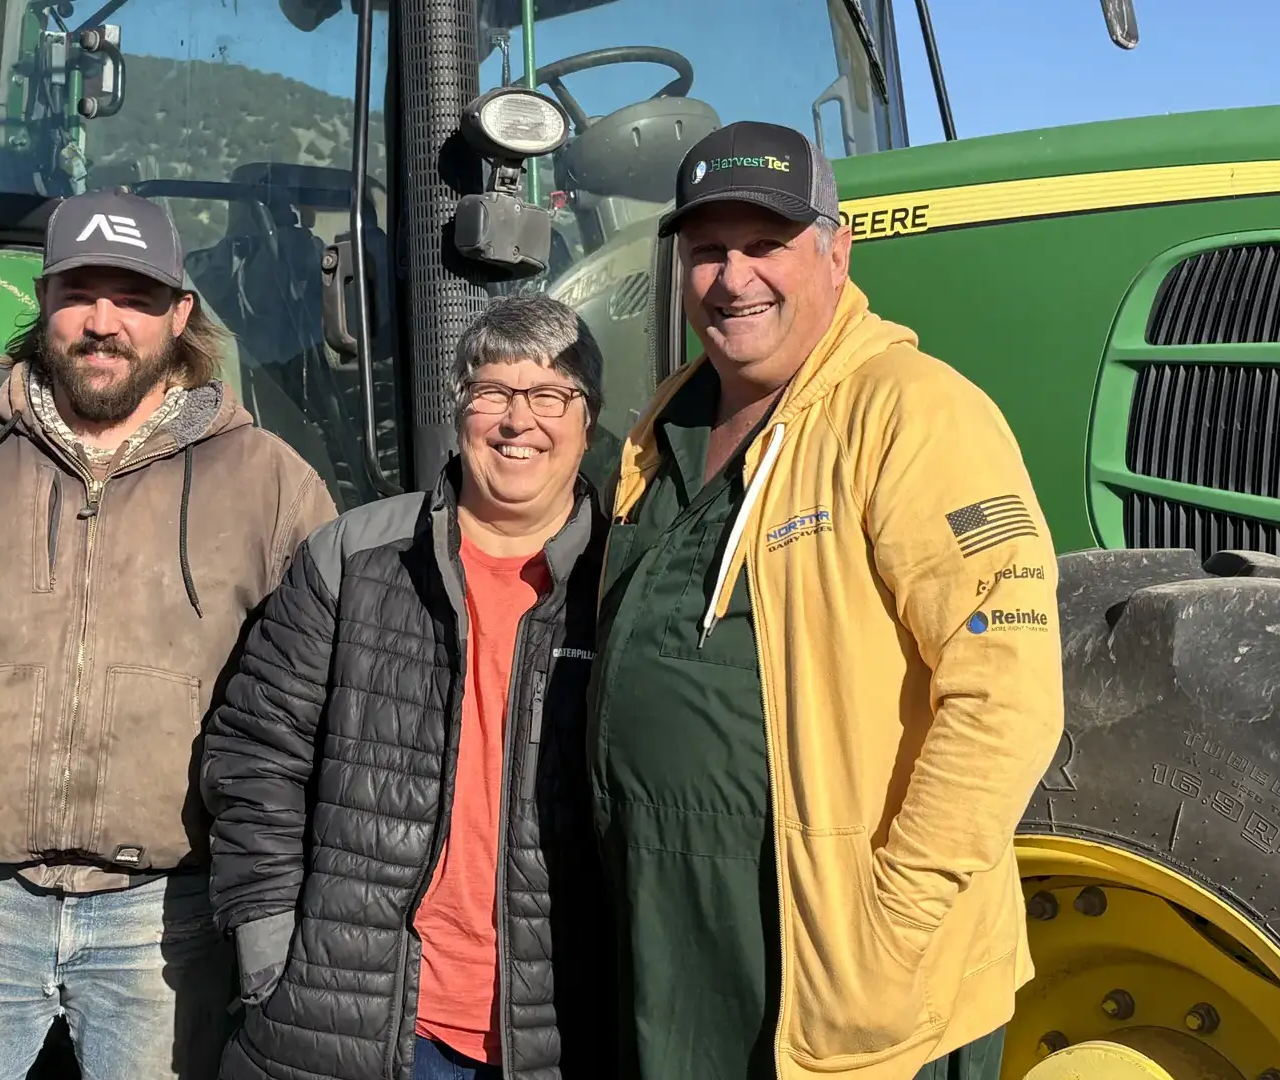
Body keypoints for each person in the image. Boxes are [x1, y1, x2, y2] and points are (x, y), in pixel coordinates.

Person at [0, 189, 338, 1080]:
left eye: (130, 296)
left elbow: (319, 676)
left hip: (169, 913)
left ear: (179, 315)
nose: (101, 321)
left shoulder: (270, 484)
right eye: (78, 293)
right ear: (44, 305)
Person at [586, 121, 1065, 1080]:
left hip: (840, 972)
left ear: (837, 251)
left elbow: (1007, 695)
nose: (733, 278)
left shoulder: (913, 411)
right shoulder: (662, 423)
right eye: (708, 251)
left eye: (765, 246)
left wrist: (893, 925)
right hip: (676, 956)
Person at [199, 292, 616, 1080]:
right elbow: (257, 751)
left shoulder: (622, 586)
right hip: (353, 1016)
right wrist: (263, 937)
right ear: (461, 411)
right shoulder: (353, 559)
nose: (517, 421)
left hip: (555, 1030)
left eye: (549, 395)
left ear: (586, 419)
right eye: (492, 391)